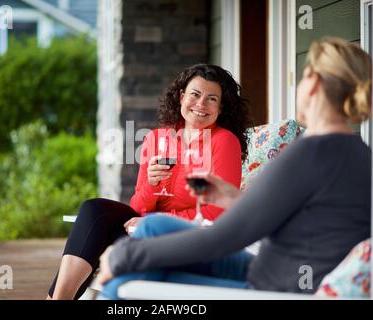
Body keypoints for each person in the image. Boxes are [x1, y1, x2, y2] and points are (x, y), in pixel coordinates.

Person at [97, 37, 372, 298]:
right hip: (275, 271)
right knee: (154, 226)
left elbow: (222, 239)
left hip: (268, 288)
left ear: (312, 83)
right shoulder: (358, 153)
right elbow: (302, 217)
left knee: (127, 277)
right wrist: (233, 198)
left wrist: (121, 255)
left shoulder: (311, 151)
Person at [47, 64, 252, 299]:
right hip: (144, 230)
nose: (201, 104)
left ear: (221, 108)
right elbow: (138, 208)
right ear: (182, 97)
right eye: (195, 94)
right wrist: (152, 186)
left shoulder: (224, 141)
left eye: (211, 98)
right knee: (94, 209)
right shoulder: (157, 138)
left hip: (185, 237)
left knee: (101, 235)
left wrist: (158, 220)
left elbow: (219, 210)